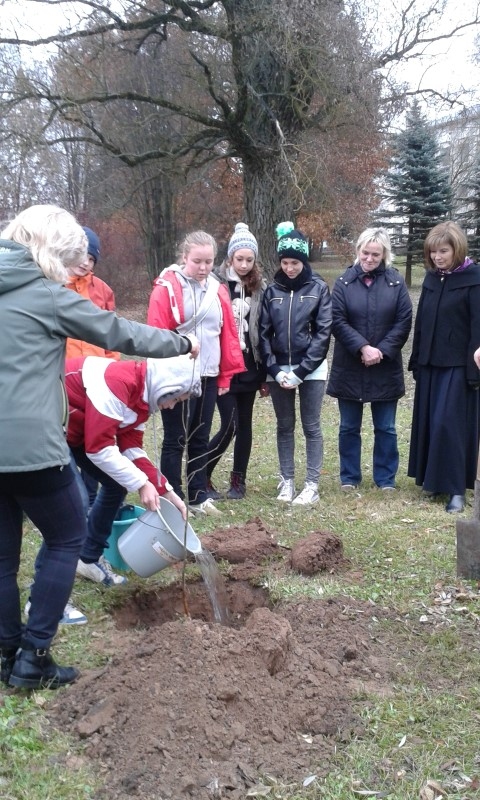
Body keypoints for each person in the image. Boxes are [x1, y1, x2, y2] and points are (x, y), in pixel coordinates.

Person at [0, 204, 199, 690]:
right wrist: (179, 345)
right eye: (68, 259)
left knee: (3, 555)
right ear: (48, 251)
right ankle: (33, 660)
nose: (72, 269)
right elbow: (118, 332)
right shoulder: (44, 294)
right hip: (31, 444)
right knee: (69, 533)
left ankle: (7, 653)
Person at [147, 230, 245, 515]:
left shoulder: (218, 288)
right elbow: (155, 335)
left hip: (209, 373)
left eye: (209, 262)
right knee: (175, 437)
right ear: (184, 257)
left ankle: (198, 494)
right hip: (176, 376)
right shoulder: (166, 288)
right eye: (197, 261)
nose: (203, 268)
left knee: (200, 436)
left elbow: (225, 333)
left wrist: (225, 374)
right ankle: (173, 497)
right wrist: (161, 380)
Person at [327, 227, 412, 492]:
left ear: (384, 254)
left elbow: (404, 321)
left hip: (385, 367)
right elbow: (337, 321)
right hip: (350, 366)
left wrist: (381, 351)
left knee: (386, 427)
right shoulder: (343, 283)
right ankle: (349, 477)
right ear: (358, 251)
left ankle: (385, 479)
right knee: (348, 427)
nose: (370, 258)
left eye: (376, 254)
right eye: (365, 252)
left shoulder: (396, 284)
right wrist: (363, 347)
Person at [408, 221, 480, 512]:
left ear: (457, 249)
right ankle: (433, 482)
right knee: (429, 420)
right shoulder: (431, 278)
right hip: (430, 362)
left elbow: (478, 324)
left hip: (458, 364)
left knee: (449, 424)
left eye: (444, 251)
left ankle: (456, 489)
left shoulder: (474, 278)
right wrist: (416, 358)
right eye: (433, 252)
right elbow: (422, 322)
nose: (438, 257)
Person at [259, 221, 332, 505]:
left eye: (295, 263)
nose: (290, 268)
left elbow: (323, 333)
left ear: (303, 261)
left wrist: (302, 371)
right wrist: (274, 370)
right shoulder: (272, 291)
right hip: (278, 370)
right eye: (285, 262)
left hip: (310, 370)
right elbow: (263, 334)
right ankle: (286, 480)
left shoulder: (318, 289)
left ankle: (311, 484)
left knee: (311, 426)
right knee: (284, 425)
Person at [205, 223, 268, 500]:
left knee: (245, 425)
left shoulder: (260, 287)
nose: (243, 265)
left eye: (249, 260)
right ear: (230, 257)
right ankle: (201, 474)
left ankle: (238, 480)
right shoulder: (214, 283)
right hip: (223, 366)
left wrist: (265, 372)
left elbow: (264, 329)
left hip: (250, 365)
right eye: (239, 259)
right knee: (228, 424)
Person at [66, 226, 119, 509]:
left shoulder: (103, 291)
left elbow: (112, 335)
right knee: (66, 445)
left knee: (94, 441)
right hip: (65, 381)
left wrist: (110, 371)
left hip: (97, 380)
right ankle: (70, 503)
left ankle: (91, 498)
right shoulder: (54, 288)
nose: (86, 263)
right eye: (81, 255)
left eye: (91, 258)